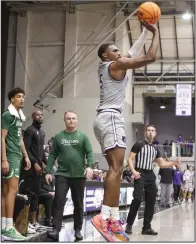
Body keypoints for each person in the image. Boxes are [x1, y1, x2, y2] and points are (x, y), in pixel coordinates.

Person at [91, 20, 159, 242]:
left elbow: (132, 51)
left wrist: (144, 33)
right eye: (115, 50)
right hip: (111, 117)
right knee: (116, 168)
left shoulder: (111, 64)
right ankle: (104, 216)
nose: (120, 52)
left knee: (117, 170)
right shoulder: (115, 65)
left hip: (104, 117)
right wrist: (156, 33)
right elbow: (150, 57)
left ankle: (110, 219)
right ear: (106, 56)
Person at [45, 110, 94, 241]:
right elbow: (52, 155)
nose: (71, 121)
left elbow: (89, 152)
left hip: (79, 175)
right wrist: (48, 171)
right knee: (58, 200)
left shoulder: (83, 136)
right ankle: (56, 229)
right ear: (64, 120)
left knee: (78, 203)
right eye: (68, 119)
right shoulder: (59, 136)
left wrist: (90, 166)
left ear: (76, 120)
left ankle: (77, 230)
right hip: (62, 174)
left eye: (73, 118)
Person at [125, 125, 180, 235]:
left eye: (153, 131)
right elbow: (130, 159)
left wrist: (173, 163)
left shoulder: (156, 148)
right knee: (137, 199)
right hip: (140, 172)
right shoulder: (139, 144)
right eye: (149, 130)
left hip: (150, 175)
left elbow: (162, 164)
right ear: (145, 132)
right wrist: (134, 171)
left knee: (151, 201)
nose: (150, 132)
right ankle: (129, 224)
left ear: (155, 133)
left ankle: (146, 227)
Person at [1, 87, 31, 241]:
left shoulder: (19, 117)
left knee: (7, 192)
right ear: (12, 99)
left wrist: (26, 156)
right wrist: (4, 159)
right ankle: (8, 226)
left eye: (23, 96)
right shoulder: (7, 115)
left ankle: (4, 227)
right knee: (11, 191)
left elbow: (19, 139)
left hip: (17, 156)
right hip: (10, 157)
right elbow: (2, 138)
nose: (22, 99)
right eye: (19, 96)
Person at [20, 110, 47, 230]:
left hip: (39, 168)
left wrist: (46, 163)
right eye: (38, 115)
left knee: (36, 194)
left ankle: (34, 222)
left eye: (41, 115)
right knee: (29, 194)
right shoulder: (30, 130)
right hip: (30, 167)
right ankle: (24, 223)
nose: (40, 116)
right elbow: (27, 148)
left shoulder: (42, 132)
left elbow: (40, 151)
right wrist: (35, 163)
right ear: (33, 117)